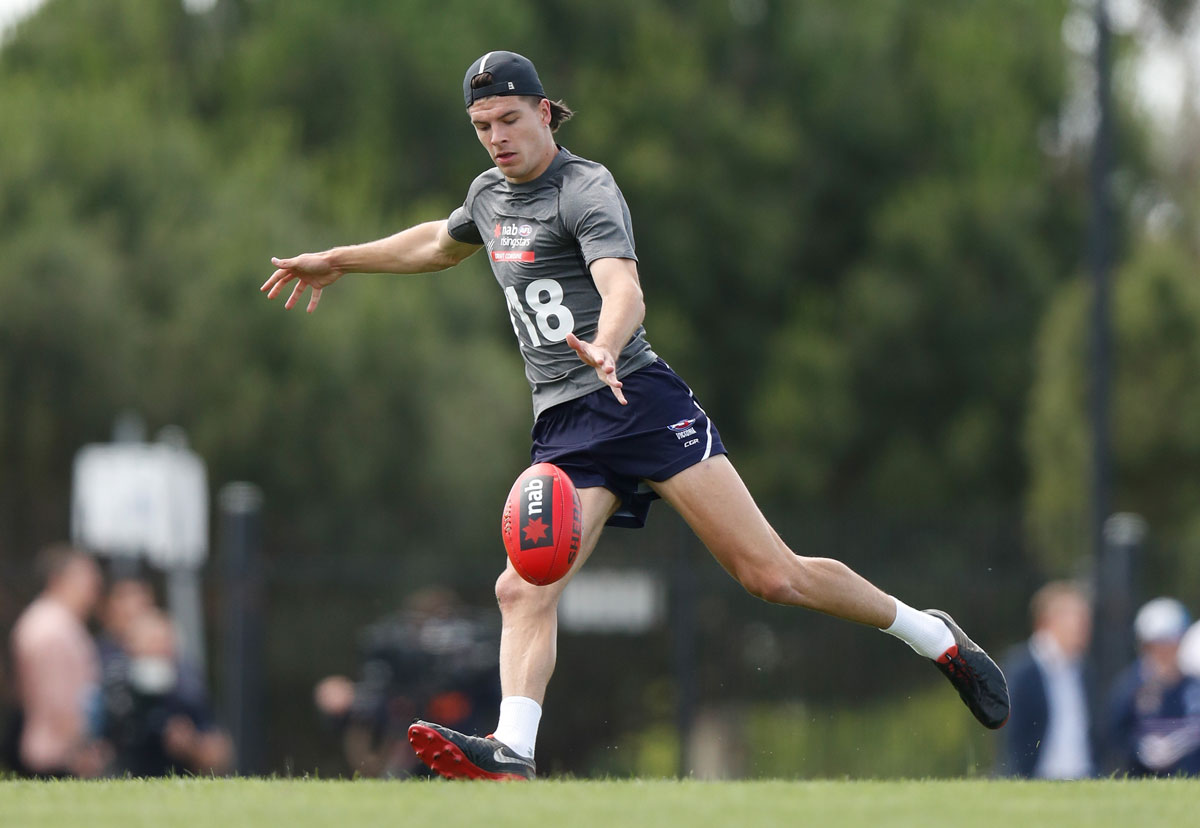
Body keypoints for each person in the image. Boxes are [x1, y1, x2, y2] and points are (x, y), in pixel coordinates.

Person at [262, 50, 1010, 780]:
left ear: (545, 112)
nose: (497, 136)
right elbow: (435, 241)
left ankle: (930, 635)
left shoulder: (585, 187)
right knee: (522, 584)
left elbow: (622, 288)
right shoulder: (489, 195)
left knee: (771, 577)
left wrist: (608, 344)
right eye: (483, 124)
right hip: (564, 427)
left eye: (510, 118)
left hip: (638, 404)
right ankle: (513, 751)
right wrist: (340, 258)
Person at [313, 588, 501, 777]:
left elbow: (498, 696)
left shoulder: (477, 655)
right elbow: (364, 706)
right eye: (424, 624)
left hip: (467, 731)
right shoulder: (397, 653)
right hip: (406, 733)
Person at [6, 544, 108, 777]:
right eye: (87, 579)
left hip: (56, 747)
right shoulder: (51, 628)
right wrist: (80, 750)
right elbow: (58, 699)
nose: (95, 589)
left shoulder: (55, 623)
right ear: (59, 579)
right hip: (55, 753)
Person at [100, 609, 232, 776]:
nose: (159, 650)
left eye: (164, 643)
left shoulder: (187, 689)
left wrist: (192, 747)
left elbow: (220, 755)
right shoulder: (115, 686)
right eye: (151, 643)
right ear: (129, 647)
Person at [1001, 581, 1095, 778]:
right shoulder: (1022, 669)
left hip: (1083, 777)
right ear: (1047, 621)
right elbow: (1014, 734)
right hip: (1038, 777)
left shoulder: (1083, 669)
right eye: (1075, 619)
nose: (1083, 628)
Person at [1106, 597, 1200, 776]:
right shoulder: (1130, 688)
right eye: (1156, 646)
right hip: (1142, 777)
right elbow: (1115, 736)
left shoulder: (1196, 685)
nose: (1164, 653)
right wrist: (1140, 749)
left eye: (1171, 645)